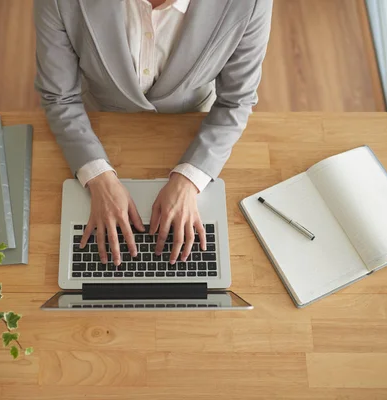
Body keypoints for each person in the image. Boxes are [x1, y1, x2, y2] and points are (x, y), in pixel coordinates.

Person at [35, 0, 273, 267]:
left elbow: (236, 102)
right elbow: (59, 97)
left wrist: (190, 179)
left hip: (191, 127)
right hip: (100, 124)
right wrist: (97, 176)